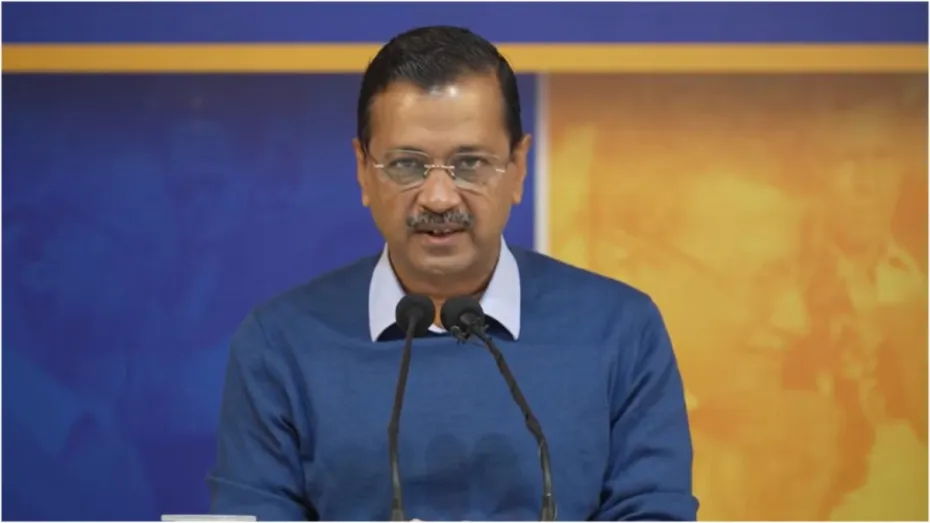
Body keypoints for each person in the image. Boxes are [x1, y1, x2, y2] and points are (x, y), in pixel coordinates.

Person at [208, 25, 697, 521]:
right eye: (406, 164)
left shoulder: (620, 330)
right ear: (363, 170)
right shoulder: (281, 343)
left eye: (470, 163)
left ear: (518, 167)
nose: (439, 198)